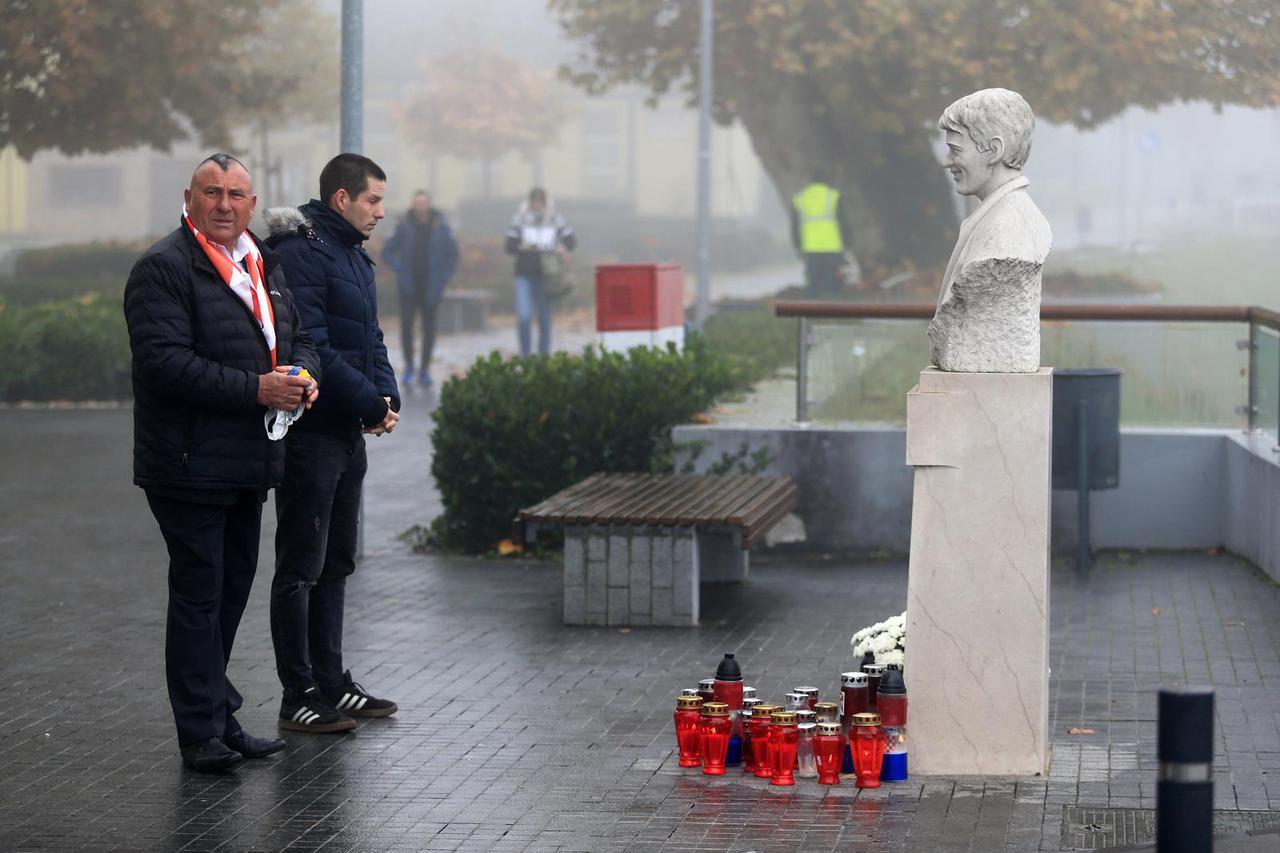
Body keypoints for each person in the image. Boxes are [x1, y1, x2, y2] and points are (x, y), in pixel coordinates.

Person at [123, 153, 321, 773]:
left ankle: (217, 713)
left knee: (230, 593)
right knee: (200, 594)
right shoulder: (163, 268)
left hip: (248, 460)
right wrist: (257, 389)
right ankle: (198, 732)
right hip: (186, 465)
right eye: (213, 192)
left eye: (237, 193)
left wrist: (303, 375)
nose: (225, 204)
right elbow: (165, 364)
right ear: (189, 197)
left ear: (254, 204)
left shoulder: (261, 261)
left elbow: (298, 334)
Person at [265, 153, 401, 733]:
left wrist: (387, 396)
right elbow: (314, 342)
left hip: (347, 433)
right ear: (341, 198)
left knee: (337, 562)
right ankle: (298, 693)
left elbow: (369, 337)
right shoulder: (302, 251)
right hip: (312, 435)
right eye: (372, 199)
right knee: (301, 565)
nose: (380, 211)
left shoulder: (352, 255)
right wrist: (368, 402)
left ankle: (333, 682)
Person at [928, 87, 1052, 373]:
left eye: (956, 150)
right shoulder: (999, 217)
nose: (948, 162)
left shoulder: (1010, 227)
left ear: (994, 150)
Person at [382, 190, 459, 387]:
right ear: (413, 204)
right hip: (408, 286)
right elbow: (387, 251)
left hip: (431, 286)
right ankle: (409, 366)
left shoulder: (441, 226)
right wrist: (399, 268)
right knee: (407, 327)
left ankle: (424, 369)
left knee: (429, 329)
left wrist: (443, 276)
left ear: (429, 204)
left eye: (423, 203)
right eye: (417, 203)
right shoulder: (404, 224)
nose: (420, 207)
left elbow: (453, 254)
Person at [504, 187, 576, 356]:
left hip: (547, 276)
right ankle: (526, 356)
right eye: (534, 201)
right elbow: (509, 246)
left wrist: (561, 247)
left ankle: (543, 358)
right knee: (524, 317)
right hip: (524, 275)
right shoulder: (520, 218)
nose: (537, 205)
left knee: (544, 320)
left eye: (540, 201)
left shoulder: (555, 218)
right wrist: (523, 247)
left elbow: (571, 240)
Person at [790, 169, 852, 296]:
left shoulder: (800, 198)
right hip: (833, 245)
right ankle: (831, 307)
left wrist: (797, 244)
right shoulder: (833, 196)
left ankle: (813, 309)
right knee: (832, 280)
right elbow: (843, 221)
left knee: (813, 281)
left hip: (810, 247)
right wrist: (848, 241)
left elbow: (795, 225)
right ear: (826, 180)